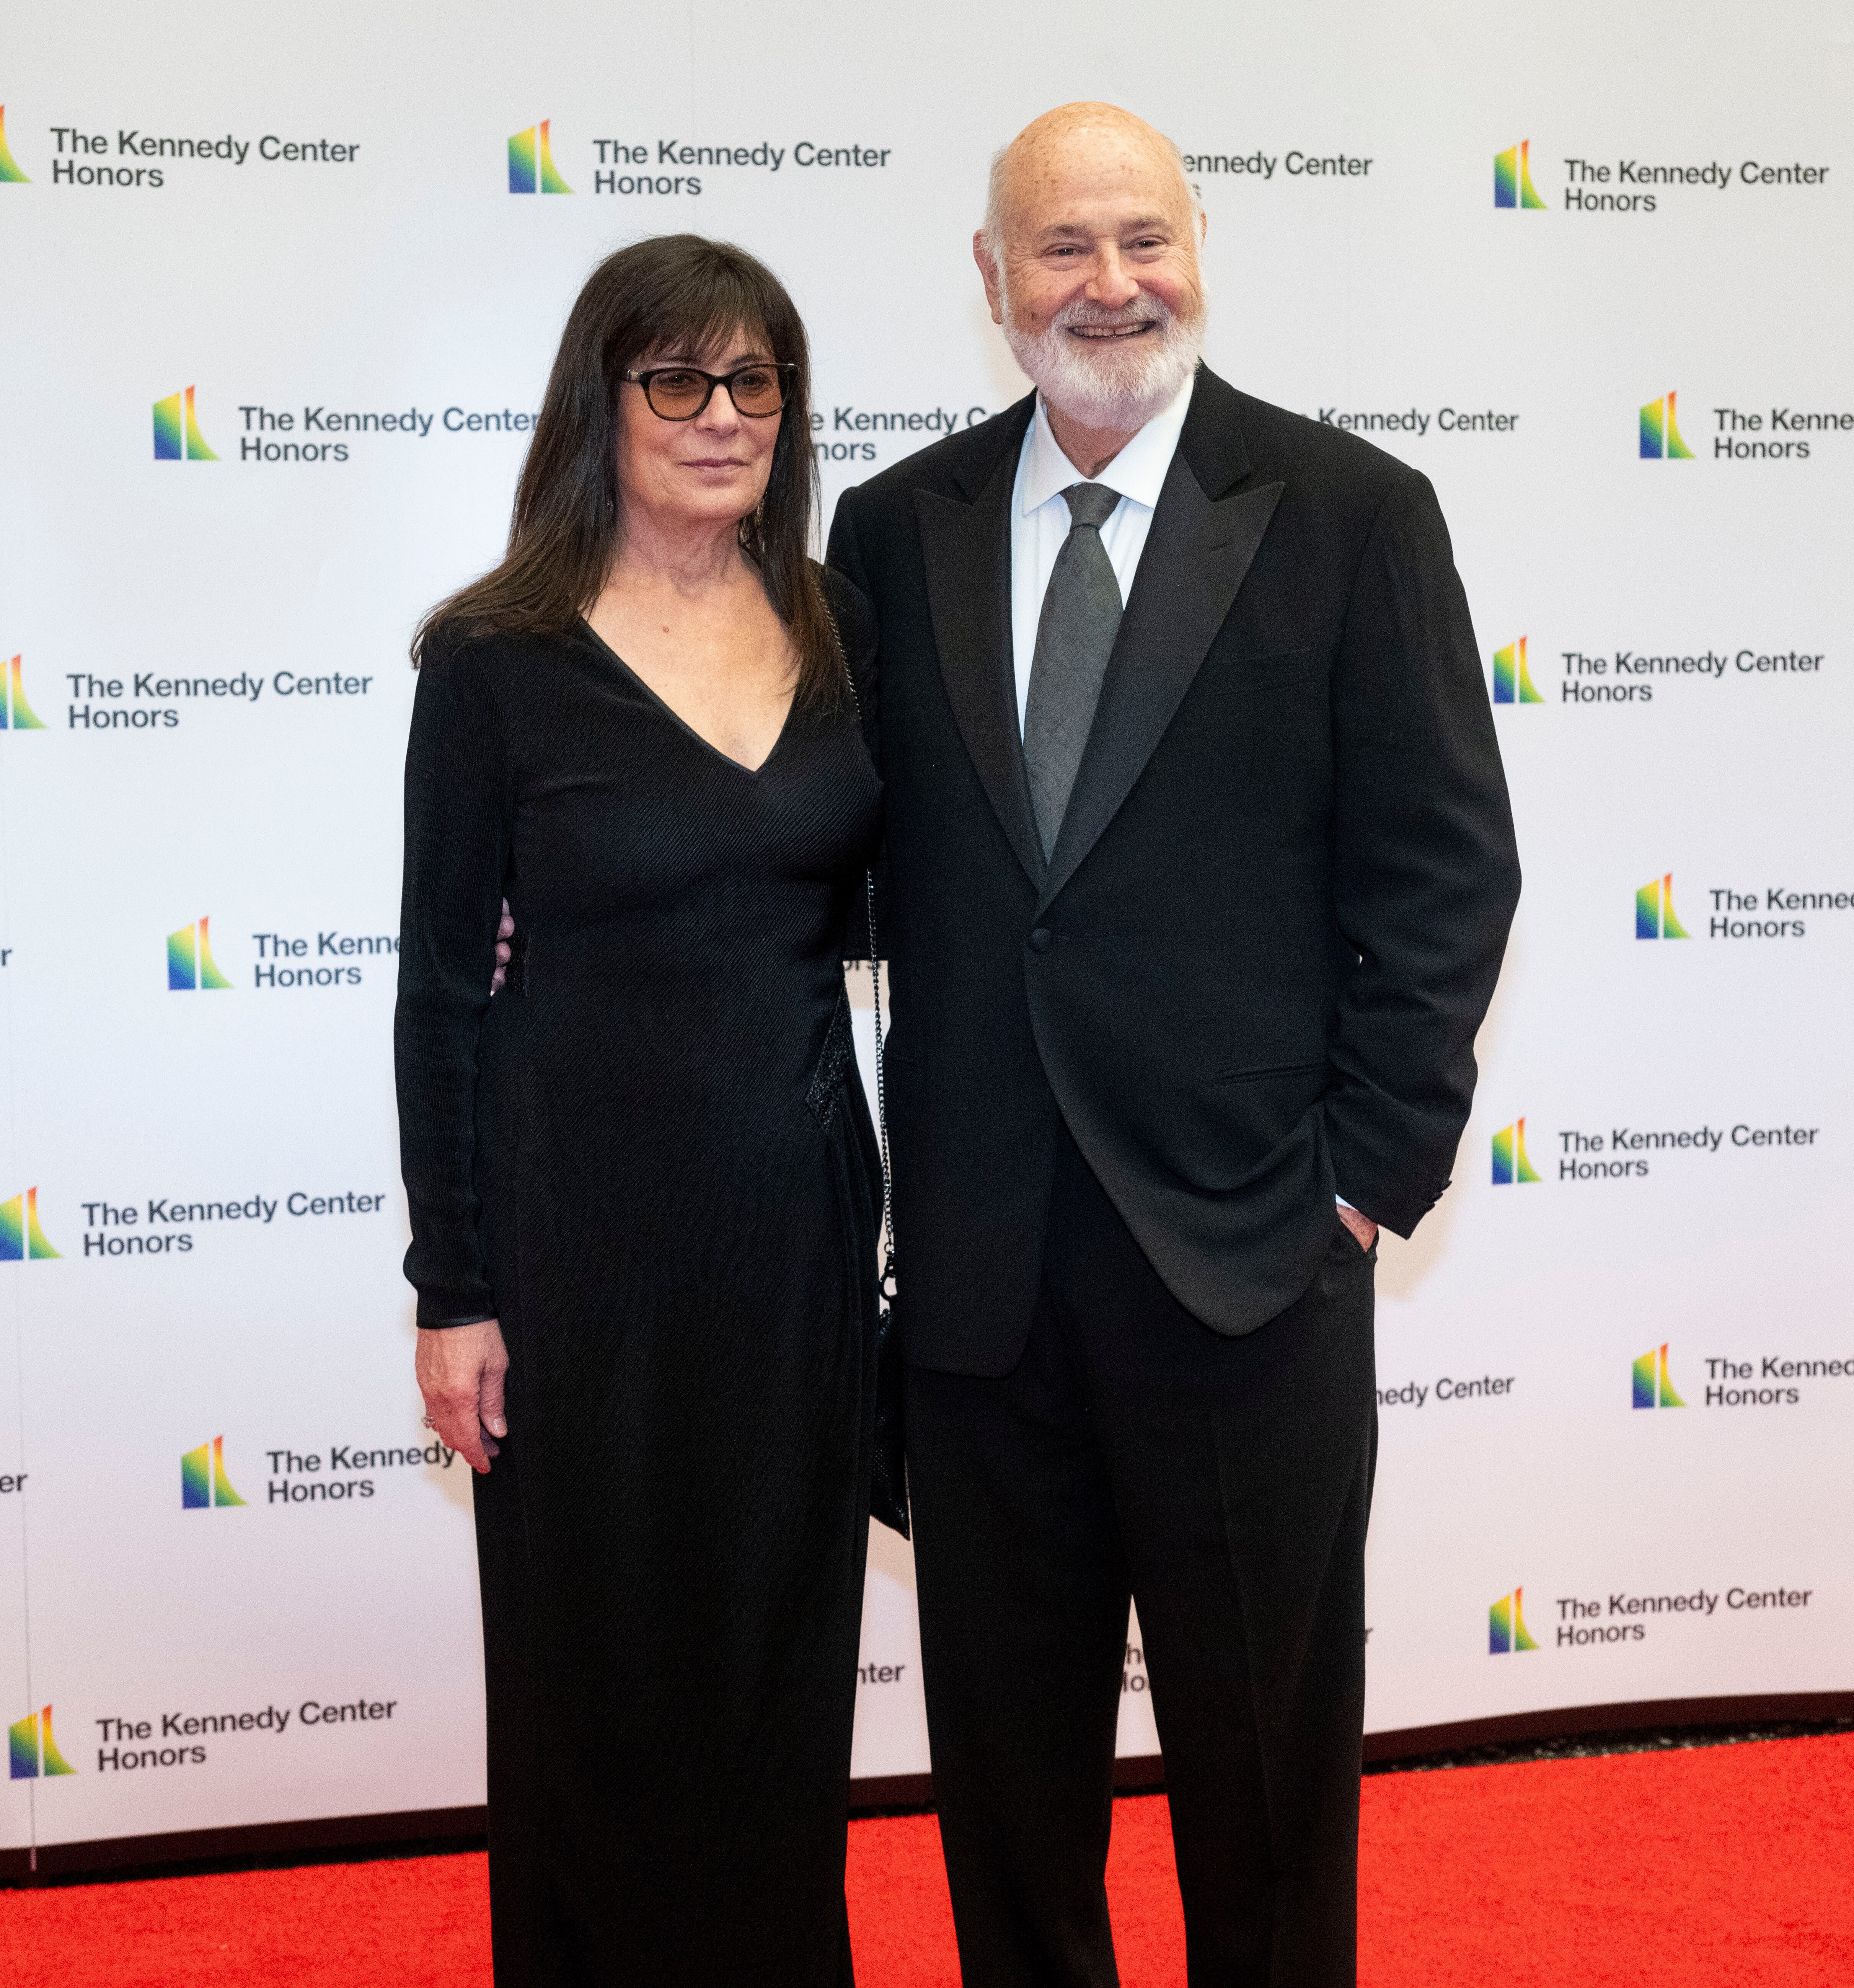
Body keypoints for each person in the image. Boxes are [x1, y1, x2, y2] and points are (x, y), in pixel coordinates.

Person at [826, 103, 1520, 1985]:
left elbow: (1446, 871)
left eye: (1143, 239)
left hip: (1247, 1273)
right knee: (1008, 1804)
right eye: (1062, 247)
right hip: (978, 1291)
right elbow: (834, 851)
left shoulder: (1351, 514)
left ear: (1199, 251)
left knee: (1268, 1797)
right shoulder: (891, 532)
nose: (1109, 284)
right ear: (991, 281)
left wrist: (1361, 1188)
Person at [394, 233, 882, 1986]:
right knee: (593, 1676)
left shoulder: (845, 633)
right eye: (675, 376)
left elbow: (909, 907)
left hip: (798, 1239)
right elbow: (442, 990)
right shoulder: (494, 659)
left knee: (773, 1665)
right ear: (600, 400)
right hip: (572, 1243)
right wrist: (453, 1286)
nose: (721, 413)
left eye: (755, 380)